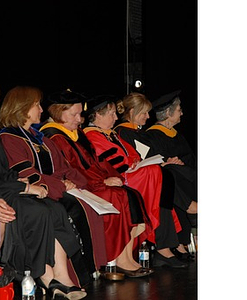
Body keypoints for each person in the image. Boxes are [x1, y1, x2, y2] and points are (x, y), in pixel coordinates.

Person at [0, 85, 107, 289]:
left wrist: (73, 181)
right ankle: (71, 277)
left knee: (88, 207)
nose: (41, 109)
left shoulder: (40, 138)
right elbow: (24, 173)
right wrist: (60, 186)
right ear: (22, 107)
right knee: (71, 208)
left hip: (50, 189)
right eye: (36, 105)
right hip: (32, 193)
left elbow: (62, 168)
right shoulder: (9, 137)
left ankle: (89, 270)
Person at [40, 89, 152, 277]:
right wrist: (101, 182)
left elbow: (96, 162)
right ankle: (113, 258)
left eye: (80, 114)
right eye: (74, 114)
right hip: (76, 187)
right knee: (115, 195)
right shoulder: (54, 136)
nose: (80, 119)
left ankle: (126, 256)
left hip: (90, 182)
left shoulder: (75, 133)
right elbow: (71, 169)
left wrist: (112, 177)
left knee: (128, 193)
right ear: (59, 112)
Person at [83, 95, 188, 268]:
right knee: (157, 173)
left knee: (163, 176)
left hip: (132, 174)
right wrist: (131, 164)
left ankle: (166, 242)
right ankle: (164, 243)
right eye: (111, 114)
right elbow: (114, 163)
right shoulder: (92, 136)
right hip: (122, 178)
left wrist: (135, 161)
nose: (116, 118)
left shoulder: (110, 134)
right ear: (98, 115)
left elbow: (131, 154)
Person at [115, 92, 196, 259]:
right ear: (132, 113)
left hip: (153, 173)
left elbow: (151, 154)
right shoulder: (123, 133)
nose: (148, 116)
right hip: (135, 178)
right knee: (168, 175)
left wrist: (167, 161)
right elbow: (135, 159)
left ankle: (179, 238)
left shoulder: (138, 132)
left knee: (175, 173)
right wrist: (163, 164)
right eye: (144, 113)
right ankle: (189, 211)